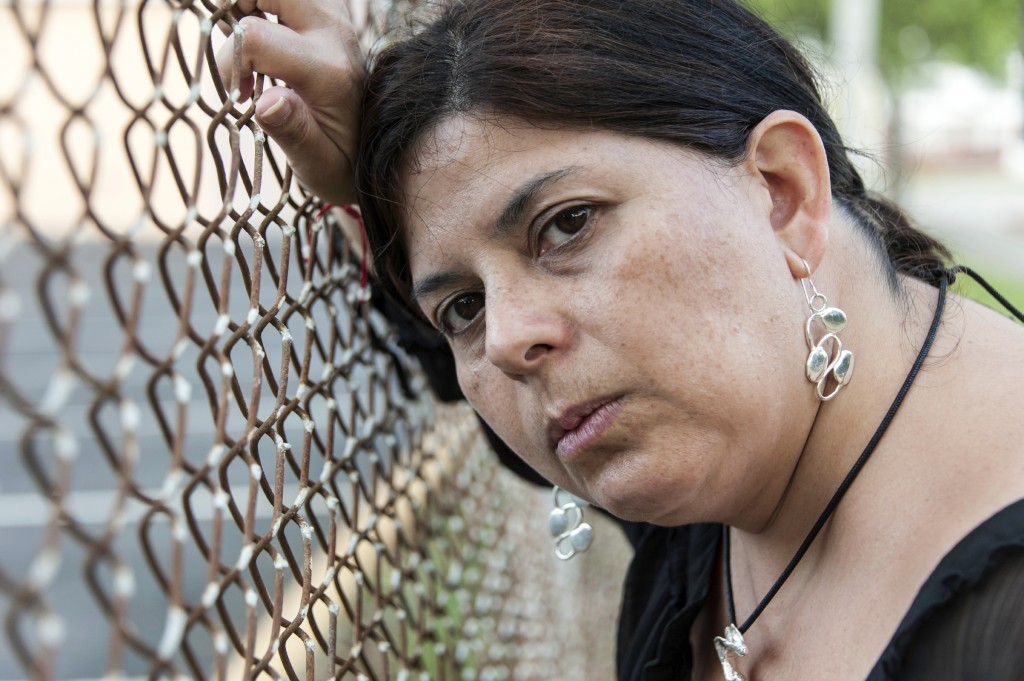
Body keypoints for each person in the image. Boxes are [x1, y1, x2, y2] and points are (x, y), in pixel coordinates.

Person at [218, 0, 1024, 678]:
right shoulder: (723, 449)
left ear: (782, 191)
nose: (505, 341)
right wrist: (369, 175)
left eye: (566, 225)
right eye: (462, 307)